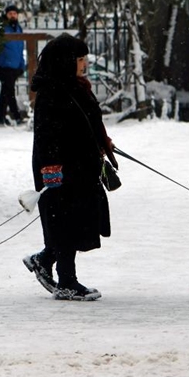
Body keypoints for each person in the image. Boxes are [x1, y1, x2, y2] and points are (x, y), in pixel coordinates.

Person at [22, 33, 118, 301]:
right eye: (80, 59)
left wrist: (103, 143)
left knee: (79, 219)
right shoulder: (52, 91)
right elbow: (47, 137)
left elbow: (88, 121)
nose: (84, 63)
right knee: (65, 221)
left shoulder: (76, 86)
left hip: (81, 165)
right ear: (66, 61)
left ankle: (44, 259)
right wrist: (51, 171)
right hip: (60, 168)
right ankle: (66, 281)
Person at [0, 4, 26, 126]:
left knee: (6, 93)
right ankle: (17, 116)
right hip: (4, 66)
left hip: (15, 66)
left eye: (15, 13)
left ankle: (1, 117)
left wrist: (22, 65)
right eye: (10, 13)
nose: (13, 15)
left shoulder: (19, 29)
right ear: (6, 15)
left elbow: (21, 49)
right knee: (9, 92)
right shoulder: (2, 28)